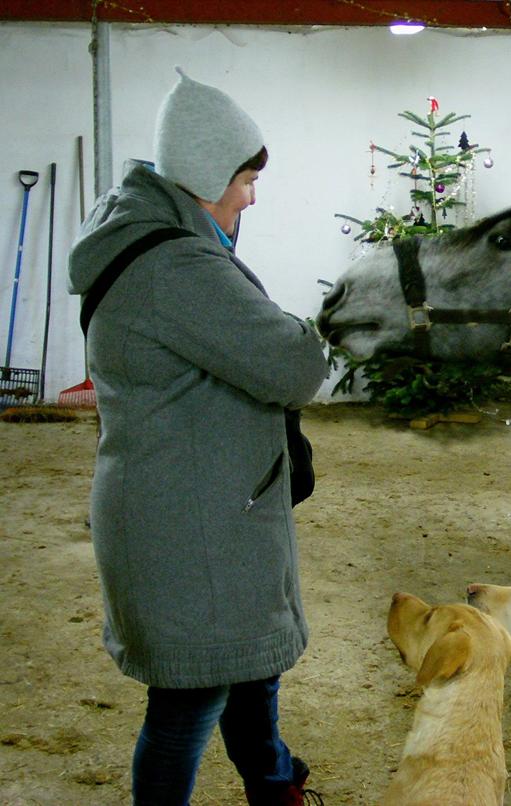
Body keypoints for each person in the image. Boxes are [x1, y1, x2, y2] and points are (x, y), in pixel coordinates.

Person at [68, 67, 329, 805]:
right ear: (206, 174)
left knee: (247, 670)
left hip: (195, 508)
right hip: (192, 527)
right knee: (188, 705)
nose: (253, 195)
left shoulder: (152, 239)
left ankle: (274, 785)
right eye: (245, 179)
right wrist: (307, 332)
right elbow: (295, 363)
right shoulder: (175, 265)